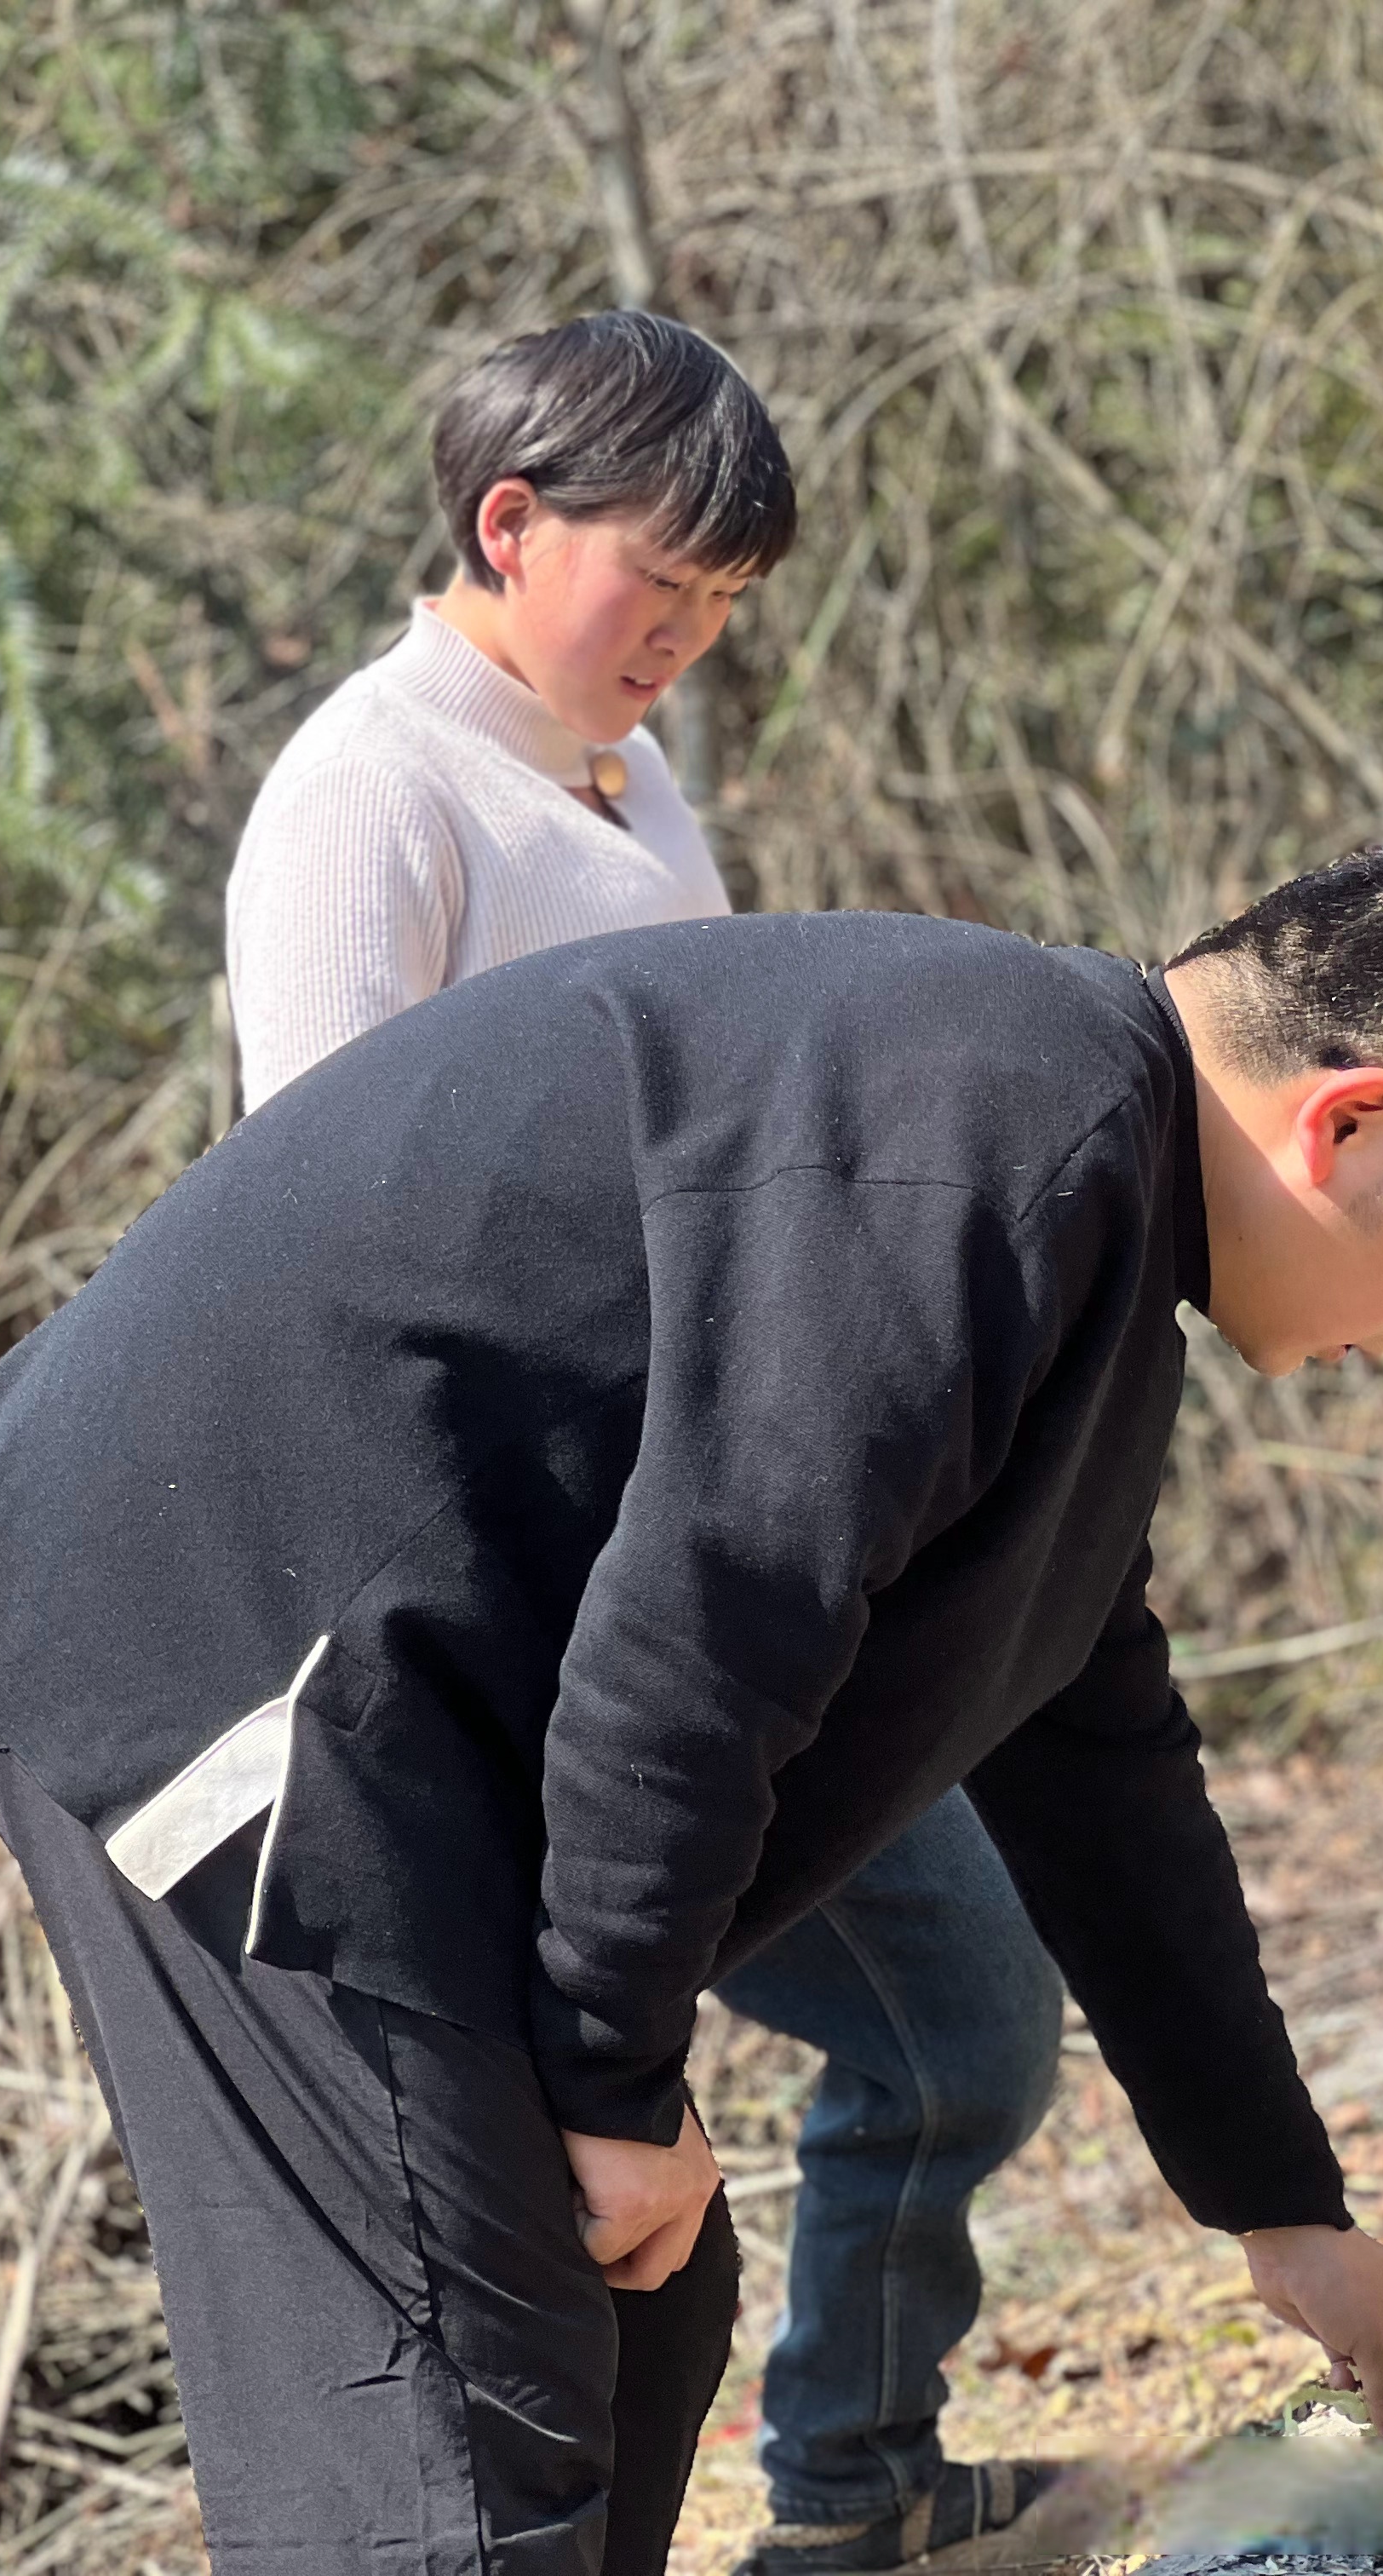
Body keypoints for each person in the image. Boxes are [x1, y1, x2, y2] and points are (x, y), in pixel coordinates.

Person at [0, 842, 1383, 2575]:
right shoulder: (1002, 1142)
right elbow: (715, 1618)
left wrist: (1282, 2207)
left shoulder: (1072, 1177)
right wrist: (607, 2072)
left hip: (370, 1702)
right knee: (456, 2411)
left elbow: (1096, 1748)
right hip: (231, 1658)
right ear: (1352, 1125)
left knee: (645, 2307)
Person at [220, 310, 1080, 2571]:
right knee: (621, 2227)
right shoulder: (370, 794)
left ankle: (855, 2491)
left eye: (722, 615)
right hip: (527, 1634)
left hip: (717, 1575)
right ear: (507, 525)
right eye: (657, 593)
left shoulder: (619, 770)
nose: (685, 649)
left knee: (969, 2023)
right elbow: (308, 1269)